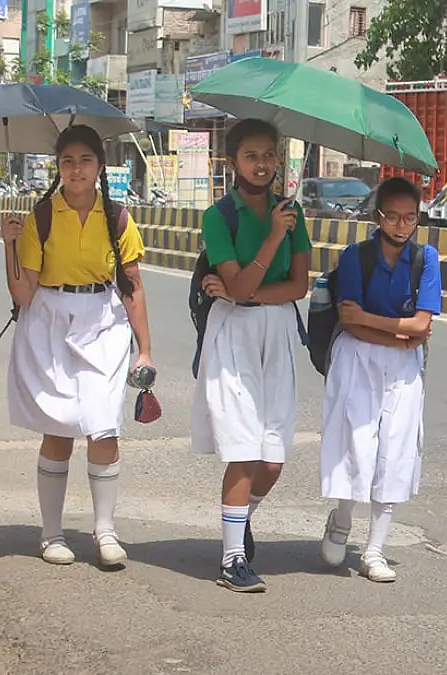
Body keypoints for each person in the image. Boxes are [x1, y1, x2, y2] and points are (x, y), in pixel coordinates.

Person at [1, 124, 153, 569]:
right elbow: (24, 293)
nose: (76, 169)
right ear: (58, 167)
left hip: (103, 322)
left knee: (104, 426)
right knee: (59, 426)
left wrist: (145, 350)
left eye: (85, 160)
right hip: (49, 320)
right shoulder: (42, 216)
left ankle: (105, 530)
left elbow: (133, 286)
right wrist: (10, 244)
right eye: (67, 161)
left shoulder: (119, 217)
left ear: (99, 166)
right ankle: (51, 534)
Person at [192, 118, 312, 593]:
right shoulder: (219, 217)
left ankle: (239, 522)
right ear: (232, 162)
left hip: (276, 333)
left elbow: (297, 286)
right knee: (243, 448)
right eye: (251, 156)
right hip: (233, 336)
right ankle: (232, 561)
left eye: (268, 155)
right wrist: (272, 242)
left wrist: (248, 292)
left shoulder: (293, 212)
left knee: (273, 458)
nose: (261, 165)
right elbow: (236, 286)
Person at [316, 176, 441, 583]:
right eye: (393, 217)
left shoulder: (427, 260)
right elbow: (349, 324)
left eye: (411, 218)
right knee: (357, 444)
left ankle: (375, 550)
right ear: (377, 217)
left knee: (397, 449)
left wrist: (384, 326)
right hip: (358, 358)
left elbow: (422, 323)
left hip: (405, 366)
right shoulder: (356, 257)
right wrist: (397, 334)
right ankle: (342, 519)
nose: (402, 226)